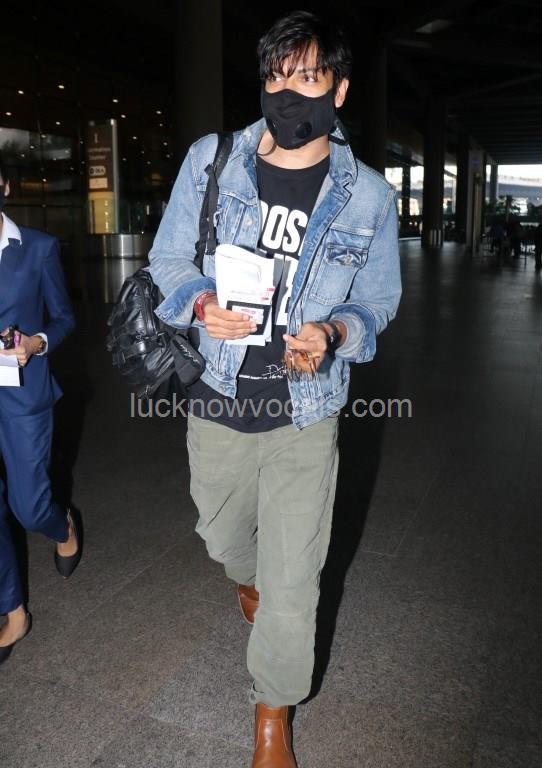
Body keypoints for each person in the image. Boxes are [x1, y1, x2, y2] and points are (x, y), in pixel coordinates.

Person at [149, 11, 401, 767]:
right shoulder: (213, 160)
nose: (288, 93)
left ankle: (271, 718)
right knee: (221, 536)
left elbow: (378, 302)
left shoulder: (367, 197)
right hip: (218, 396)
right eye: (275, 77)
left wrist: (334, 333)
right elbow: (167, 260)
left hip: (305, 408)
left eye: (308, 78)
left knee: (294, 583)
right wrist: (200, 303)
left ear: (339, 90)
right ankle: (248, 578)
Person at [0, 158, 81, 665]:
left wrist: (37, 342)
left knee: (29, 507)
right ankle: (13, 610)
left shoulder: (38, 248)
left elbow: (65, 318)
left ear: (4, 186)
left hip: (23, 394)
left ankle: (62, 525)